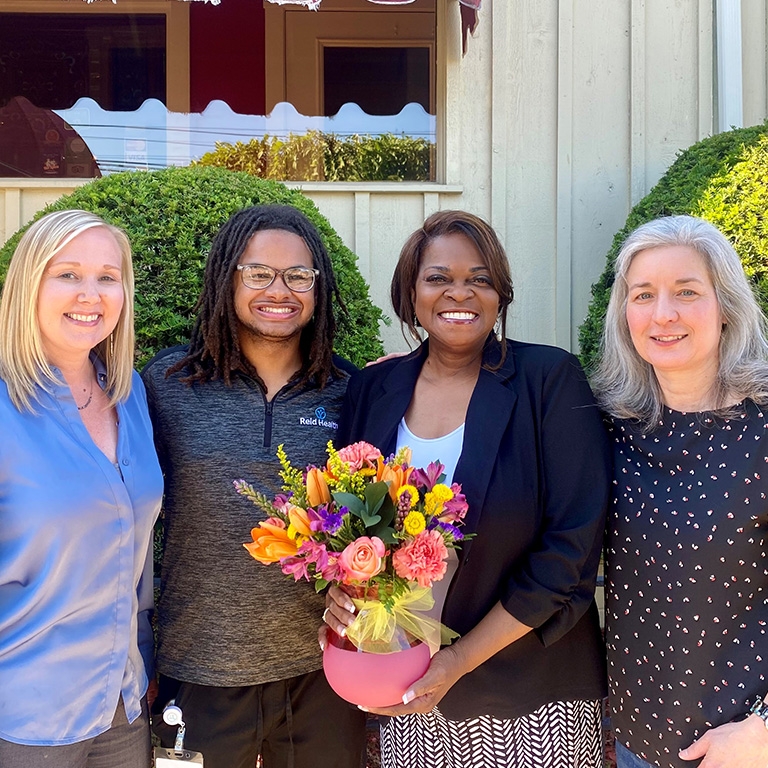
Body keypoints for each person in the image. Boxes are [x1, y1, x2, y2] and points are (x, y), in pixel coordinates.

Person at [322, 209, 611, 768]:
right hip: (406, 696)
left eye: (479, 278)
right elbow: (345, 526)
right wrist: (339, 594)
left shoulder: (548, 380)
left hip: (532, 698)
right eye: (438, 278)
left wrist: (456, 662)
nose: (461, 293)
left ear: (500, 293)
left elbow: (570, 551)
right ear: (411, 294)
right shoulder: (375, 386)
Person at [142, 204, 366, 768]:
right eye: (259, 272)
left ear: (318, 288)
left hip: (325, 672)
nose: (280, 290)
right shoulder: (165, 385)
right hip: (197, 669)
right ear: (227, 278)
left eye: (298, 276)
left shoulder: (353, 392)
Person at [592, 215, 768, 768]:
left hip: (742, 744)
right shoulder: (609, 427)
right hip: (634, 742)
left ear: (727, 306)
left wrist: (763, 730)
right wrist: (417, 373)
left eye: (686, 292)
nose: (662, 314)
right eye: (643, 294)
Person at [0, 209, 163, 768]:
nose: (89, 294)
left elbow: (136, 554)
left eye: (107, 277)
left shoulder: (130, 393)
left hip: (123, 706)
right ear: (29, 285)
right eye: (67, 274)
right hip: (23, 713)